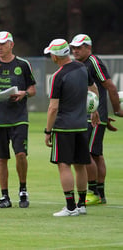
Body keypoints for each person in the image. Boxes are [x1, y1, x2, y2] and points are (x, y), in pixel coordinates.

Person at [43, 38, 99, 216]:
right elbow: (94, 89)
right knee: (80, 165)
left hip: (63, 127)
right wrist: (94, 110)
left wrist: (48, 131)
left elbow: (53, 108)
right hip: (82, 125)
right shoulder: (82, 68)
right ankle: (81, 205)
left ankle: (70, 206)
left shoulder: (58, 76)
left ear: (55, 56)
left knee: (64, 164)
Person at [0, 31, 36, 209]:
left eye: (2, 44)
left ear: (11, 45)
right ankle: (4, 195)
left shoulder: (23, 64)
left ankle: (23, 189)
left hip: (18, 117)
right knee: (1, 158)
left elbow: (33, 89)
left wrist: (24, 93)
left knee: (20, 153)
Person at [69, 34, 123, 205]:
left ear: (88, 48)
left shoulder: (93, 62)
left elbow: (110, 86)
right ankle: (100, 194)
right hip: (94, 115)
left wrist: (117, 110)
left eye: (79, 47)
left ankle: (93, 192)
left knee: (88, 153)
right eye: (74, 47)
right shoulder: (81, 63)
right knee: (97, 154)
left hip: (93, 117)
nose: (75, 50)